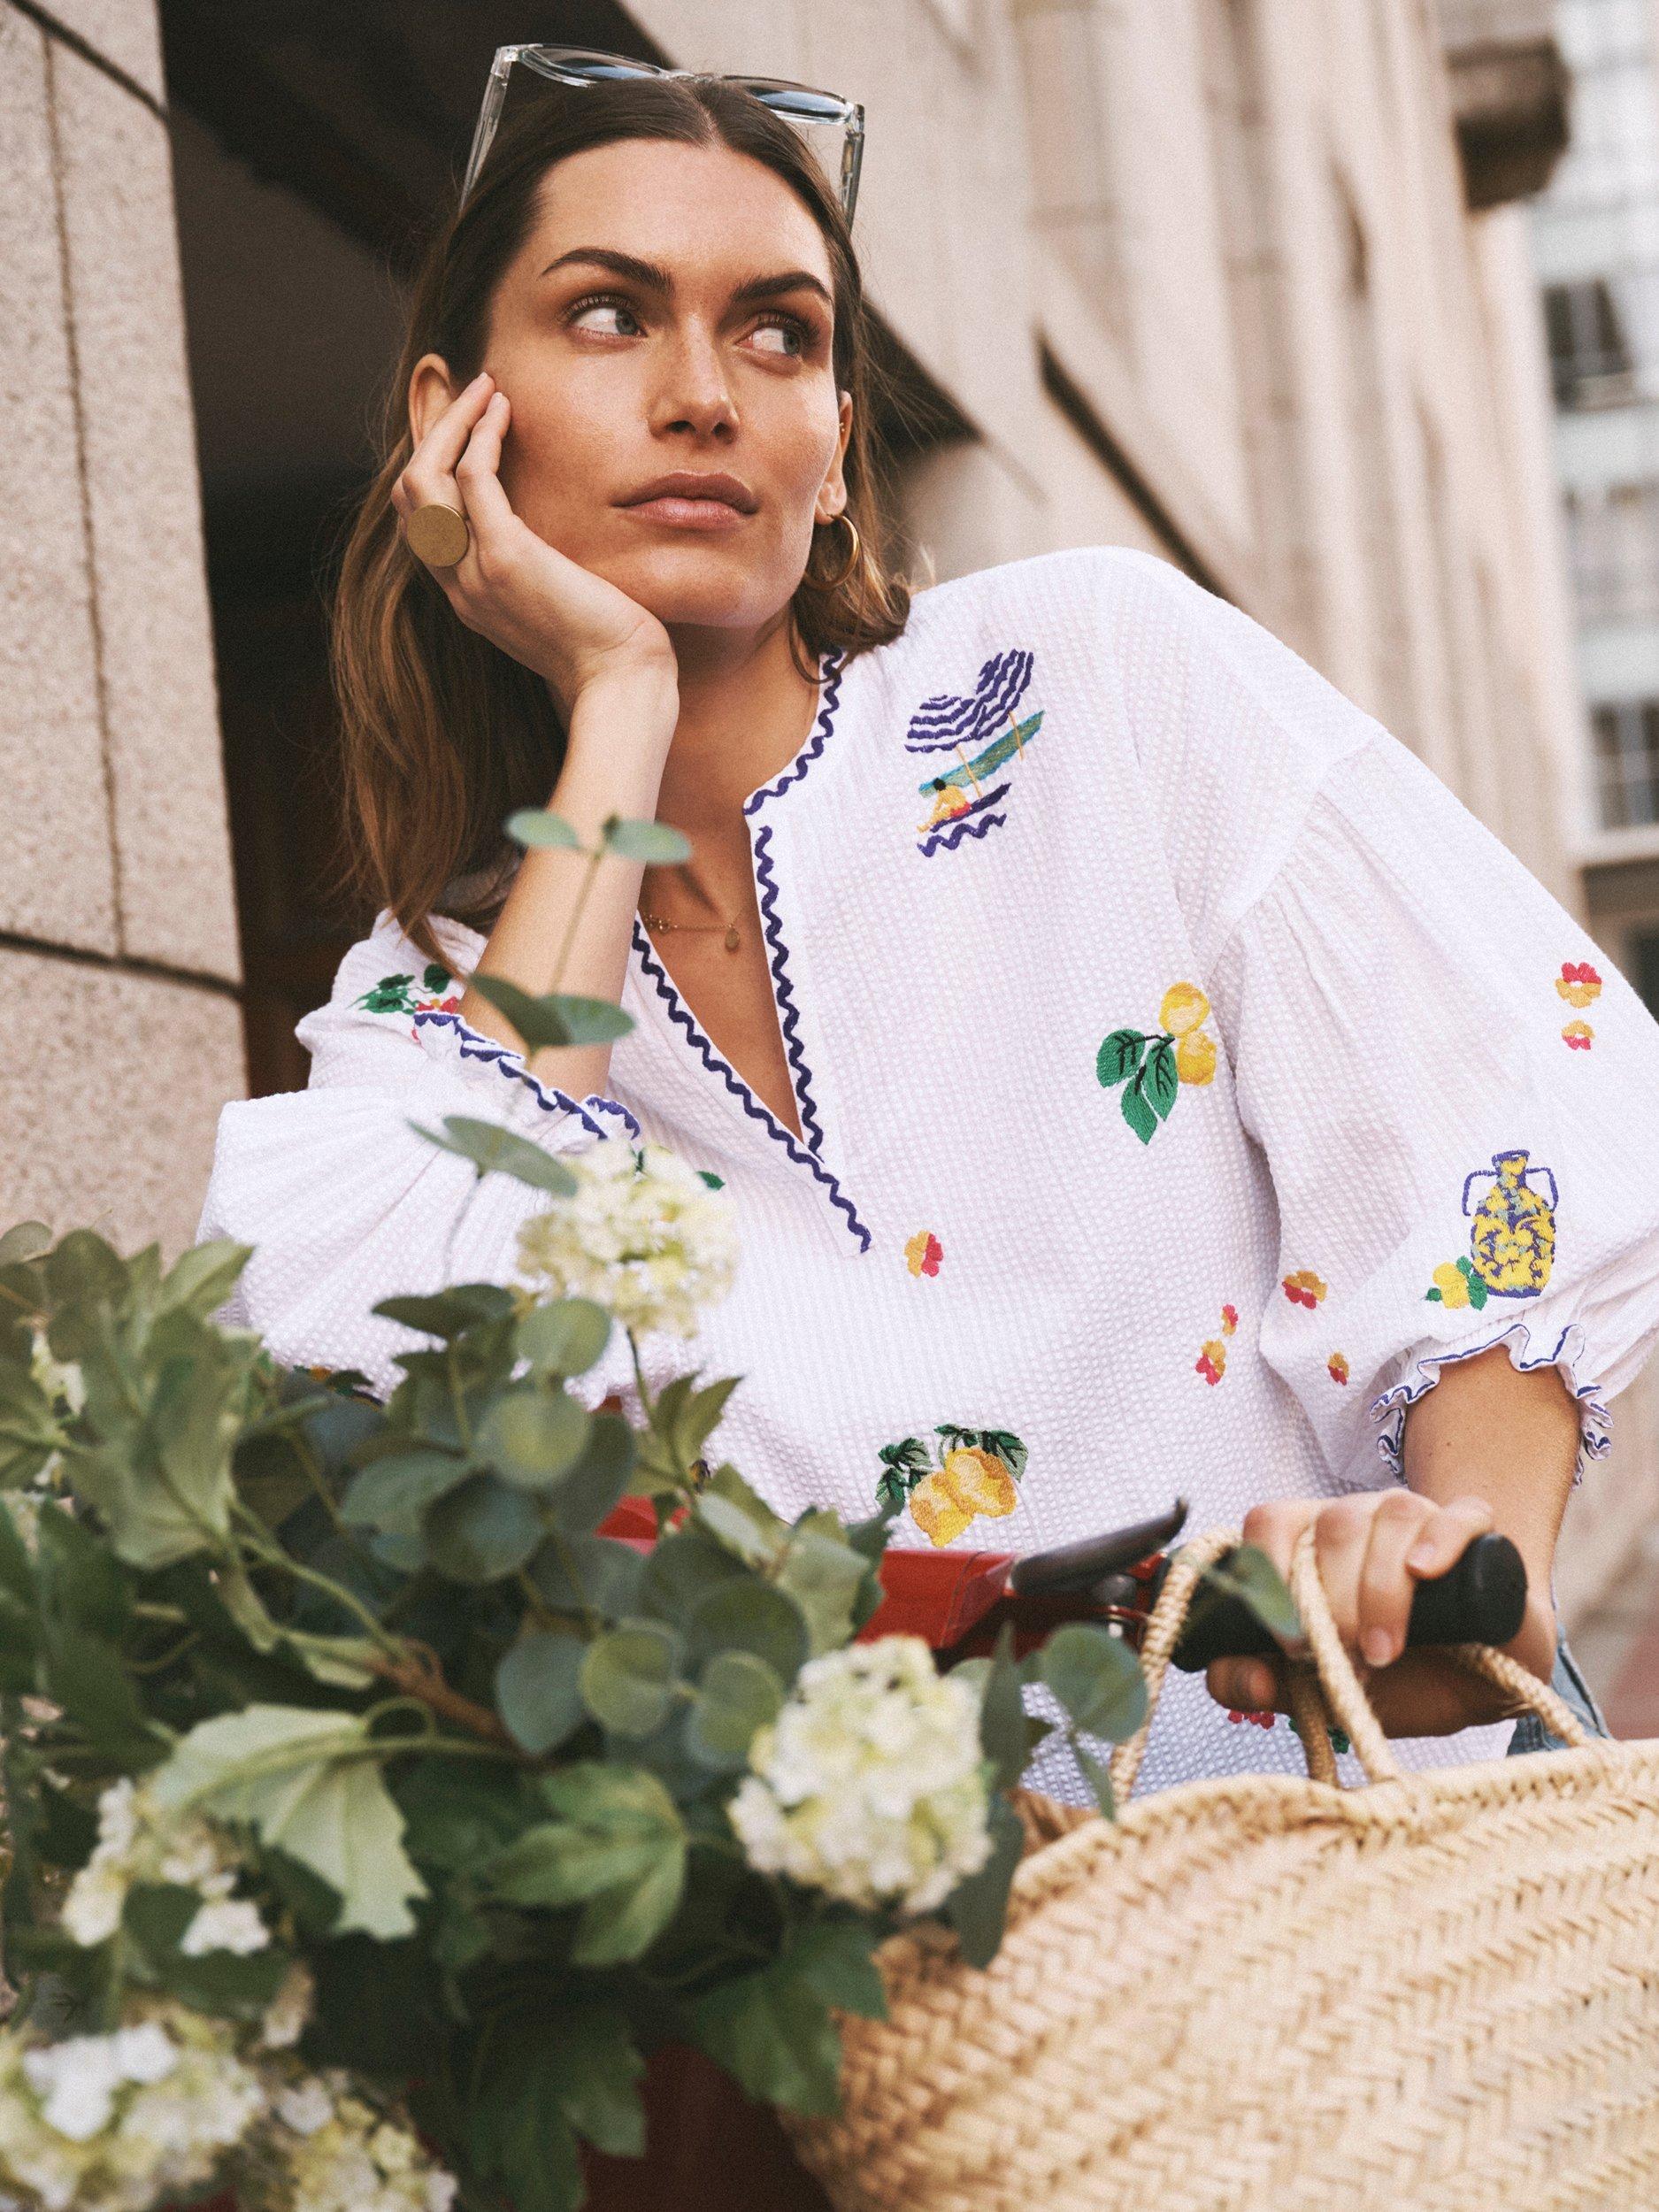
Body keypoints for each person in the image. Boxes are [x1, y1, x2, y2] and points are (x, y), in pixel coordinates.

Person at [196, 65, 1652, 1804]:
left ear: (831, 451)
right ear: (457, 423)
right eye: (608, 315)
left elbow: (1483, 1111)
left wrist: (1456, 1566)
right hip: (928, 1945)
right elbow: (382, 1413)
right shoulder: (436, 1006)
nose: (701, 395)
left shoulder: (1090, 681)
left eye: (778, 334)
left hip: (1361, 1857)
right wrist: (618, 701)